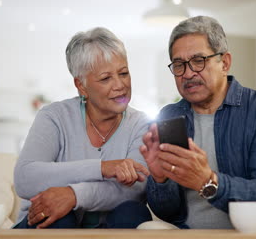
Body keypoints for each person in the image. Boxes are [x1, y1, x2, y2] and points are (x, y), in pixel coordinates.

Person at [140, 16, 256, 230]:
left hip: (247, 228)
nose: (188, 73)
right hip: (188, 232)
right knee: (147, 229)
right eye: (179, 64)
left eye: (199, 60)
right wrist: (160, 179)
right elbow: (166, 212)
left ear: (224, 63)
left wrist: (208, 181)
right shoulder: (169, 117)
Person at [13, 27, 152, 229]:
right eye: (106, 78)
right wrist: (102, 168)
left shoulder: (141, 125)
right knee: (61, 219)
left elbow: (136, 189)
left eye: (124, 73)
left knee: (133, 211)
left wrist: (74, 195)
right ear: (81, 85)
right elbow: (25, 179)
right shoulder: (54, 116)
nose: (120, 85)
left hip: (107, 228)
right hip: (46, 226)